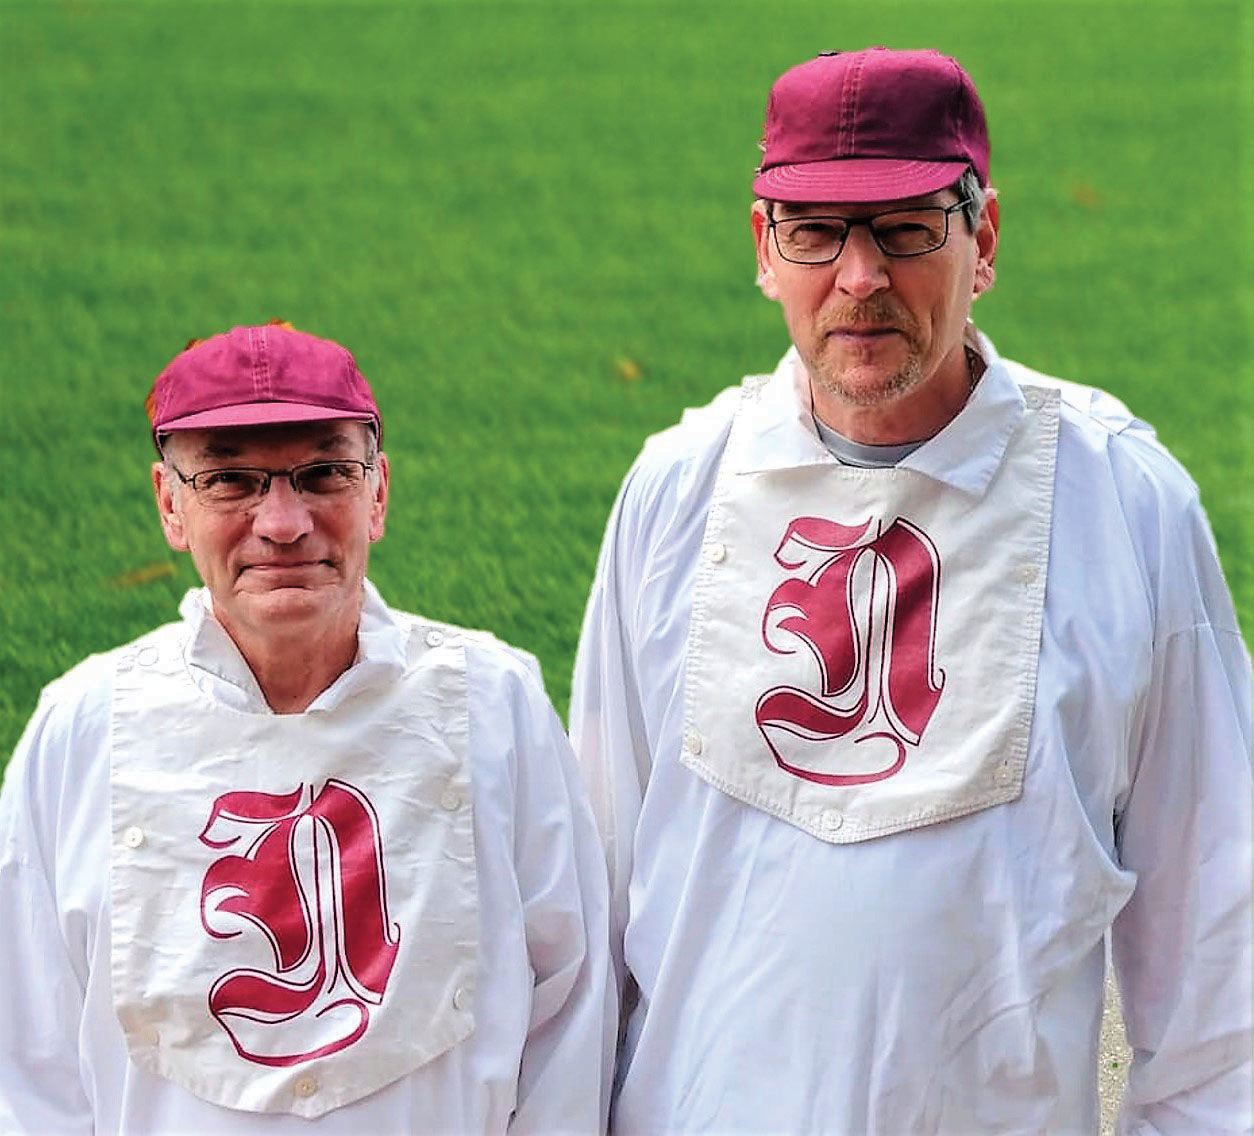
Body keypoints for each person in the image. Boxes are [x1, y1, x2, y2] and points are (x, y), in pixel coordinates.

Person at [571, 47, 1251, 1134]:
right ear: (763, 246)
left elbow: (1223, 907)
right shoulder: (676, 490)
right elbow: (591, 893)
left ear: (981, 241)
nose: (860, 276)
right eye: (815, 230)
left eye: (904, 227)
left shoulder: (1123, 501)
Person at [0, 321, 614, 1133]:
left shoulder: (491, 703)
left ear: (379, 493)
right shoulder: (83, 730)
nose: (283, 523)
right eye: (230, 481)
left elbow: (572, 1008)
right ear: (169, 505)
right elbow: (29, 1065)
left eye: (324, 473)